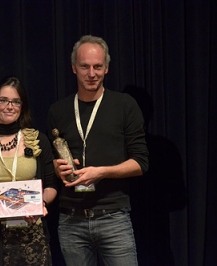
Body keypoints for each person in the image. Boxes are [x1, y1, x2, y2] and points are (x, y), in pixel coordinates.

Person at [47, 35, 149, 266]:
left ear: (107, 68)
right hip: (71, 219)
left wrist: (101, 172)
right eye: (85, 66)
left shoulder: (125, 105)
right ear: (74, 68)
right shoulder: (58, 110)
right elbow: (51, 160)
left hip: (113, 217)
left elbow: (140, 163)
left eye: (97, 67)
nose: (91, 73)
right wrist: (55, 166)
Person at [0, 76, 58, 266]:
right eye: (4, 100)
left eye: (16, 102)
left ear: (22, 106)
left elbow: (51, 186)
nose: (10, 106)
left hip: (31, 234)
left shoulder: (37, 139)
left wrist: (41, 202)